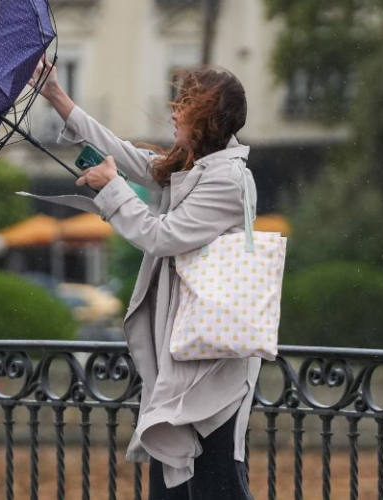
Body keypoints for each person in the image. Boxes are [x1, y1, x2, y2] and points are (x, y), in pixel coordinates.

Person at [29, 58, 259, 500]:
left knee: (215, 483)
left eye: (185, 107)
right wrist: (56, 96)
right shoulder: (199, 167)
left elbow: (160, 236)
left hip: (212, 359)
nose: (174, 113)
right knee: (175, 476)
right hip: (187, 349)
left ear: (206, 119)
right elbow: (132, 158)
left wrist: (112, 188)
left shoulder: (228, 180)